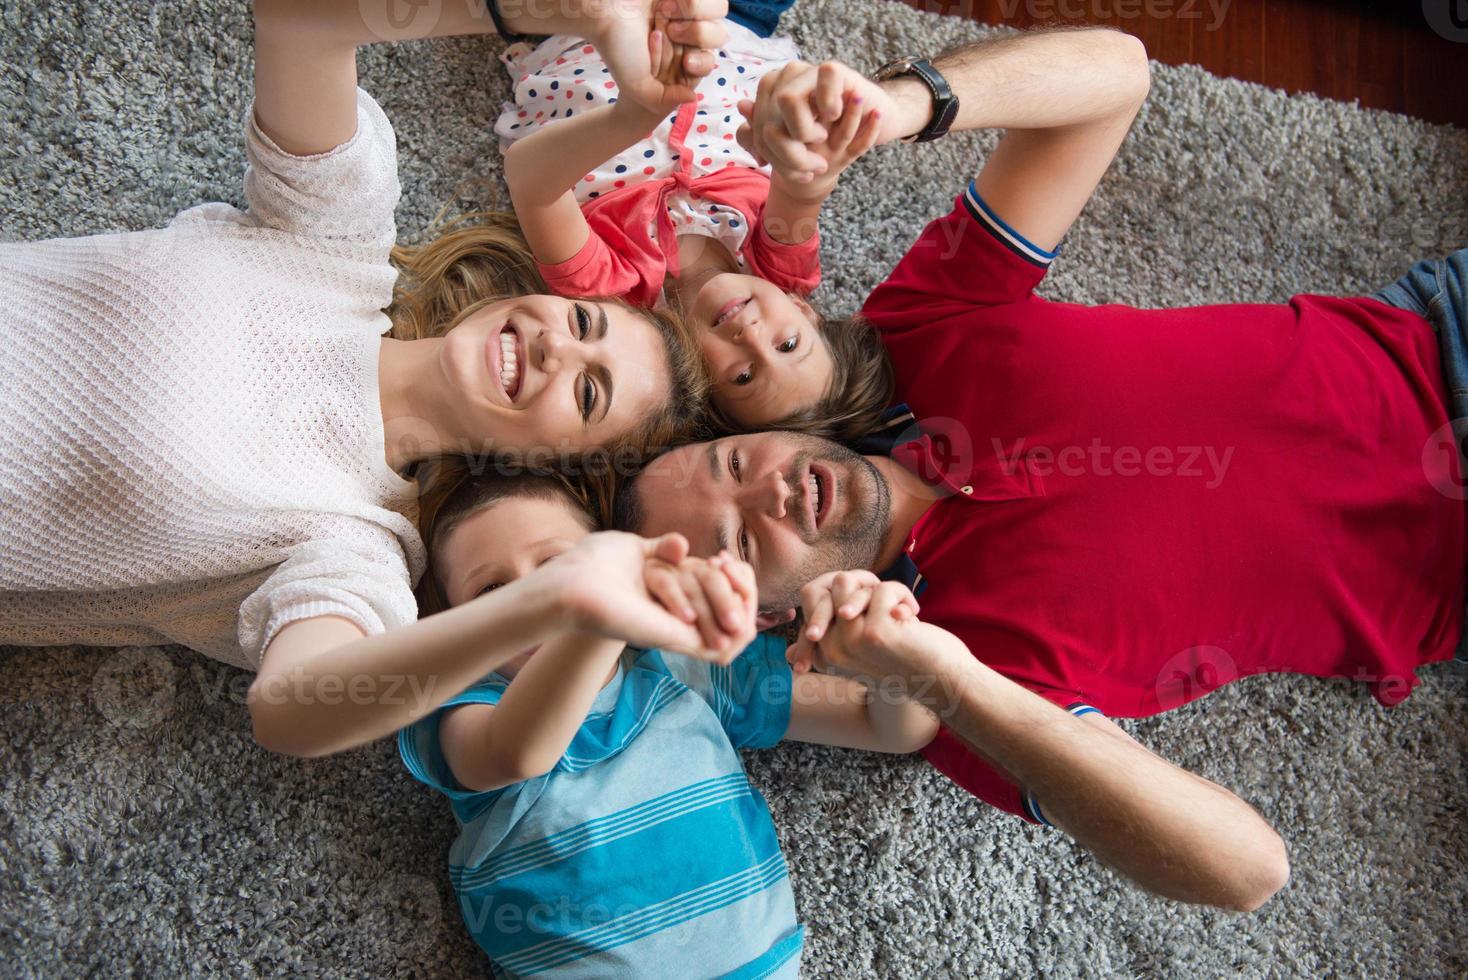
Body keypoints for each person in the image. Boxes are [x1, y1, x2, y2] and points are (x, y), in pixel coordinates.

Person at [613, 27, 1468, 911]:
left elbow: (1116, 76)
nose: (772, 491)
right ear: (773, 613)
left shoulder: (912, 331)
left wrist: (895, 107)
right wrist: (943, 677)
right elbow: (1247, 870)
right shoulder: (960, 683)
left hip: (1437, 337)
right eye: (740, 537)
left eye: (737, 461)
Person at [0, 0, 733, 758]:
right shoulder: (338, 242)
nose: (558, 351)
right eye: (583, 324)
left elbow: (293, 711)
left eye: (588, 393)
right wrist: (573, 14)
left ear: (543, 461)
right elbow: (296, 21)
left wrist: (552, 603)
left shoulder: (353, 543)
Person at [399, 470, 937, 974]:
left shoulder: (685, 668)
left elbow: (896, 727)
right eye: (492, 592)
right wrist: (600, 617)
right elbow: (516, 753)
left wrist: (888, 645)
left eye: (559, 569)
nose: (536, 601)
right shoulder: (464, 709)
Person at [495, 8, 895, 437]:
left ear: (696, 383)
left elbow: (534, 187)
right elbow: (801, 189)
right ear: (802, 310)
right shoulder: (780, 273)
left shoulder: (616, 298)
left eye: (744, 376)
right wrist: (821, 156)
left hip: (586, 33)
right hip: (733, 31)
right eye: (788, 344)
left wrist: (637, 113)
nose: (752, 336)